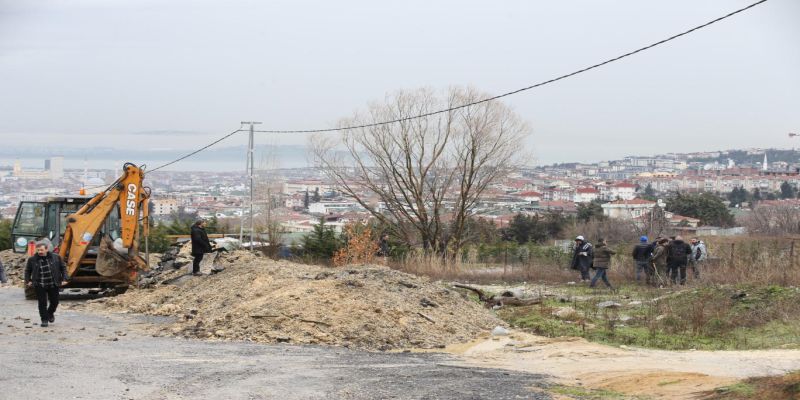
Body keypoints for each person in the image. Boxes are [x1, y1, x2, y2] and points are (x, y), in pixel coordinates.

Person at [24, 242, 68, 327]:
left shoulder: (56, 257)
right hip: (39, 284)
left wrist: (65, 278)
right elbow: (27, 270)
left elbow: (63, 268)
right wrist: (28, 280)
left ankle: (50, 313)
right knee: (42, 302)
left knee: (55, 301)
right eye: (38, 250)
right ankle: (44, 319)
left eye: (42, 250)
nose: (40, 252)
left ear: (47, 249)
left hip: (53, 283)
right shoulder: (32, 259)